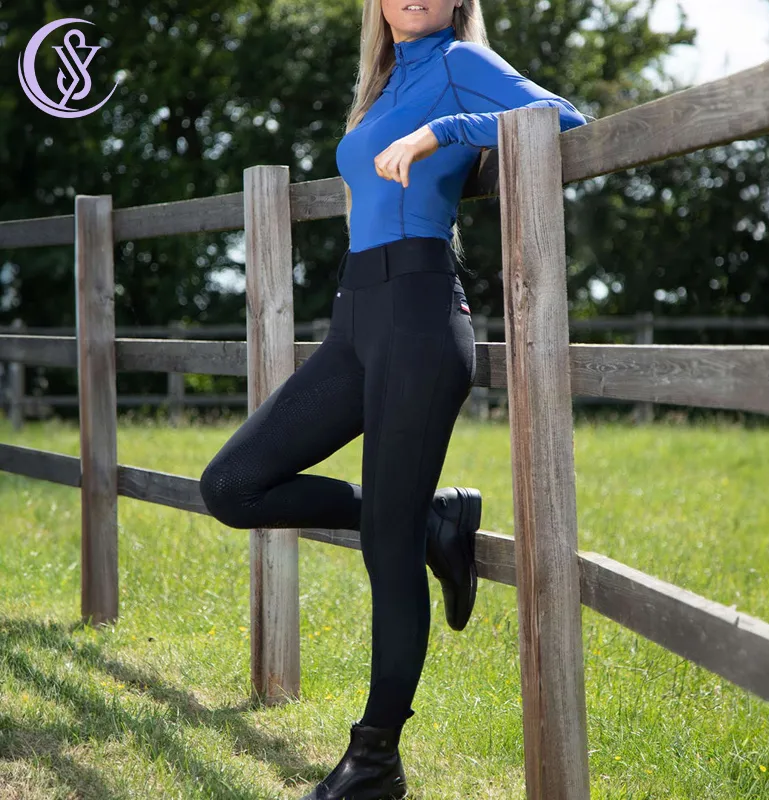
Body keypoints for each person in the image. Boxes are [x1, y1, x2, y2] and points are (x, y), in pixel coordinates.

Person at [199, 0, 589, 796]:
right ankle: (431, 519)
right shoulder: (378, 85)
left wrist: (445, 131)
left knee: (388, 545)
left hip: (420, 314)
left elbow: (566, 118)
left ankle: (375, 757)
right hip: (354, 322)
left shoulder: (459, 62)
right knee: (232, 486)